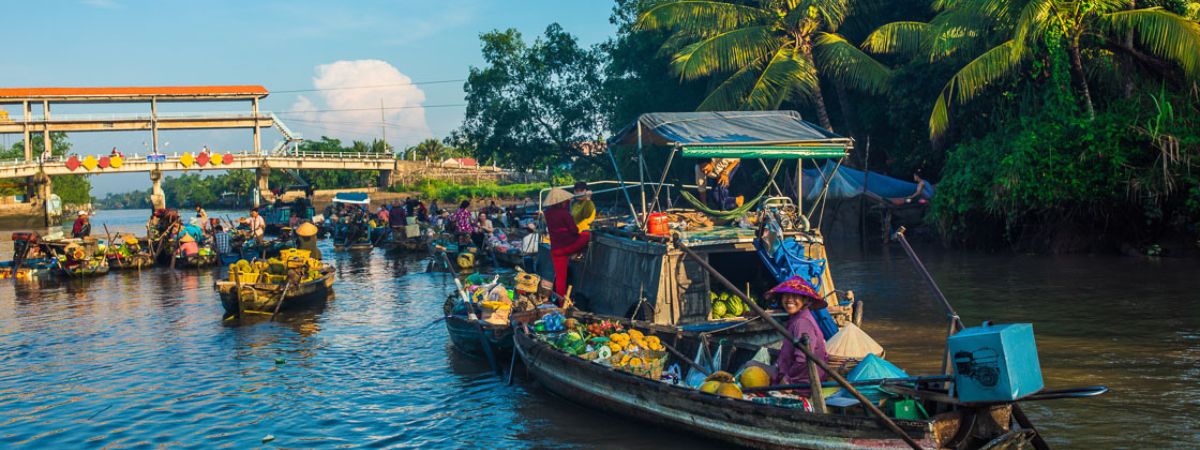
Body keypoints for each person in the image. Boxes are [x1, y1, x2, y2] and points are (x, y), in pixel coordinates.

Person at [767, 276, 829, 386]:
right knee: (751, 365)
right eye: (786, 296)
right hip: (790, 375)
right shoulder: (795, 318)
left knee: (750, 366)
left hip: (801, 383)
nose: (789, 299)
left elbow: (803, 360)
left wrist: (788, 381)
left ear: (805, 300)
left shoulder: (802, 322)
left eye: (795, 296)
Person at [544, 189, 589, 297]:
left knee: (560, 279)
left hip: (556, 250)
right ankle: (576, 254)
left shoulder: (547, 214)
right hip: (568, 247)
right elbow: (574, 230)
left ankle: (561, 301)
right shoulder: (565, 214)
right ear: (562, 202)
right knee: (587, 235)